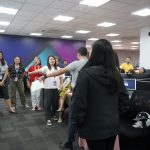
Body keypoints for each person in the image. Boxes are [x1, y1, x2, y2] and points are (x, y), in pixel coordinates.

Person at [69, 39, 129, 150]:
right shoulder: (116, 75)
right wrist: (114, 116)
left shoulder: (85, 75)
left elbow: (77, 105)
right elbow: (124, 101)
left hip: (92, 128)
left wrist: (79, 124)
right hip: (112, 126)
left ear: (94, 54)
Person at [44, 47, 88, 149]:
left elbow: (61, 72)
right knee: (85, 117)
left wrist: (47, 75)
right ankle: (84, 142)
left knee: (72, 119)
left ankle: (69, 143)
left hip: (77, 94)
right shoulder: (92, 64)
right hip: (89, 94)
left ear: (78, 54)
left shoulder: (76, 63)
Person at [29, 56, 63, 126]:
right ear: (48, 60)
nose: (52, 60)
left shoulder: (58, 68)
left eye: (53, 59)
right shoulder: (45, 67)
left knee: (55, 104)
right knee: (47, 104)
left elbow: (61, 77)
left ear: (55, 60)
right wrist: (30, 73)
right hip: (48, 89)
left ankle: (53, 115)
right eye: (50, 59)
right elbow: (38, 71)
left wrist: (61, 84)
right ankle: (48, 118)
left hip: (56, 89)